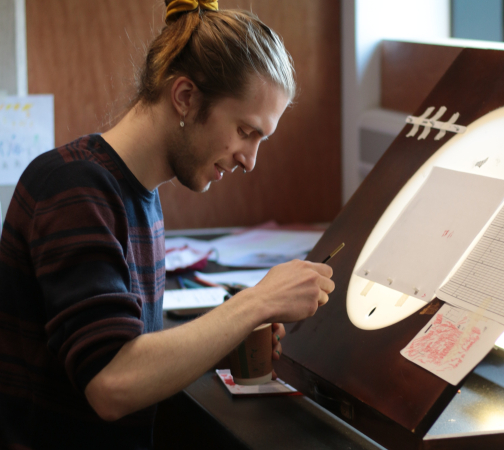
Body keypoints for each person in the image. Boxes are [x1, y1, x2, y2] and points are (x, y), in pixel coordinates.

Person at [0, 1, 335, 448]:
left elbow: (129, 345)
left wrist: (226, 334)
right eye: (245, 131)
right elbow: (112, 382)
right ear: (185, 97)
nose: (249, 160)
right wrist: (253, 305)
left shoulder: (137, 194)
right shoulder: (72, 189)